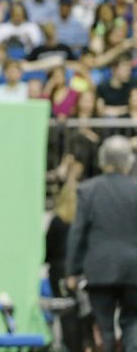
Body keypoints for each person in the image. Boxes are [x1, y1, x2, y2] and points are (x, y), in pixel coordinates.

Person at [66, 135, 137, 352]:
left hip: (100, 269)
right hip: (134, 270)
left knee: (103, 326)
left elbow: (78, 233)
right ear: (129, 161)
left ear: (102, 159)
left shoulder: (87, 190)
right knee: (132, 322)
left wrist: (72, 271)